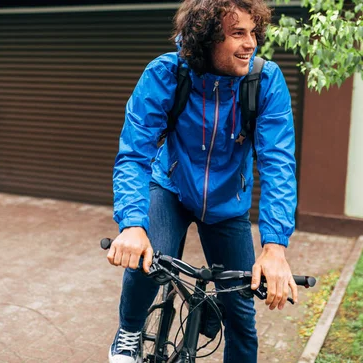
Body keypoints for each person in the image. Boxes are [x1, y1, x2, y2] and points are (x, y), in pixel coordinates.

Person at [107, 0, 298, 362]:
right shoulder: (167, 73)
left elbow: (278, 165)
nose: (251, 43)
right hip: (172, 188)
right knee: (146, 262)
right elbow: (134, 153)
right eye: (237, 33)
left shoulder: (265, 80)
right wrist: (132, 225)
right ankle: (129, 332)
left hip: (228, 206)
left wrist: (275, 247)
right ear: (207, 38)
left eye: (253, 32)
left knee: (241, 317)